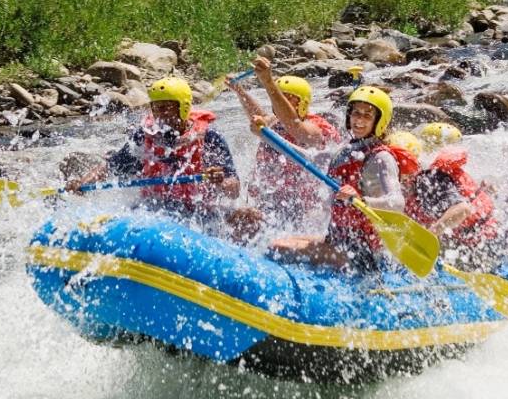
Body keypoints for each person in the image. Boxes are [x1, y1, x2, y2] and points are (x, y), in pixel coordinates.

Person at [264, 86, 419, 274]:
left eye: (367, 115)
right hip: (339, 240)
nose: (359, 120)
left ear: (379, 121)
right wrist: (266, 134)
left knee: (277, 247)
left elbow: (396, 203)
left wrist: (360, 201)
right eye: (356, 113)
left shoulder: (380, 158)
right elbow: (305, 158)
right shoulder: (345, 151)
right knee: (281, 241)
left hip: (362, 252)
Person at [65, 77, 240, 224]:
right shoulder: (145, 136)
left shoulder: (209, 137)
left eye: (165, 108)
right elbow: (112, 166)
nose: (159, 114)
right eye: (155, 108)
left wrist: (220, 181)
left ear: (183, 107)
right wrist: (83, 182)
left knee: (248, 216)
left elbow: (234, 190)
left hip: (198, 211)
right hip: (154, 207)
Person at [226, 57, 340, 224]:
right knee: (237, 218)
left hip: (303, 207)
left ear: (302, 104)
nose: (278, 102)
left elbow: (297, 129)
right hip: (271, 200)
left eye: (286, 99)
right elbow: (260, 116)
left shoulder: (318, 128)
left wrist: (268, 82)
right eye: (278, 98)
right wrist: (240, 91)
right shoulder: (274, 122)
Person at [405, 146, 497, 270]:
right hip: (489, 233)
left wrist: (426, 238)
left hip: (482, 244)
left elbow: (462, 209)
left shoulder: (427, 180)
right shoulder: (437, 173)